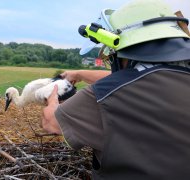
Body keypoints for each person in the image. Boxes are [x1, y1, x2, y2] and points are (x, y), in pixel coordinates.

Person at [41, 0, 190, 179]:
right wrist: (79, 74)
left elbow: (52, 123)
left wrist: (52, 98)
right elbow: (137, 76)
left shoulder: (106, 94)